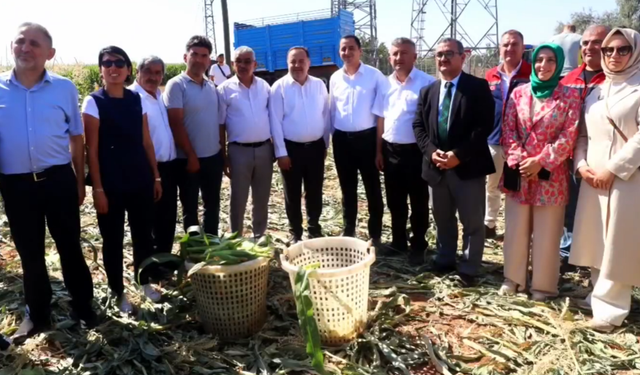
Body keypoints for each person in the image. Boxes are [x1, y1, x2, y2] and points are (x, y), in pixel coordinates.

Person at [0, 22, 97, 342]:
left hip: (57, 181)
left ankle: (83, 307)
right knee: (30, 254)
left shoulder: (64, 88)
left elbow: (76, 136)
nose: (25, 48)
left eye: (34, 44)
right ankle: (38, 315)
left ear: (49, 53)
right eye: (19, 42)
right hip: (15, 185)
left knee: (70, 247)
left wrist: (80, 181)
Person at [570, 28, 640, 332]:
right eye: (608, 50)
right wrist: (581, 165)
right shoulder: (598, 90)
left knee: (618, 243)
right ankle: (599, 295)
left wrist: (613, 169)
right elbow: (583, 135)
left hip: (626, 178)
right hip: (593, 177)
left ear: (635, 51)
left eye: (622, 49)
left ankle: (612, 311)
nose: (614, 55)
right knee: (597, 239)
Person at [83, 46, 163, 313]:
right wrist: (98, 188)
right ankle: (118, 291)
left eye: (119, 63)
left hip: (140, 178)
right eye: (107, 63)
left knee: (143, 236)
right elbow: (91, 150)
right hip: (112, 184)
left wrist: (156, 176)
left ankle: (144, 282)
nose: (113, 67)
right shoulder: (94, 102)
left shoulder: (135, 99)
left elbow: (146, 141)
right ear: (101, 69)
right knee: (113, 240)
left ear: (128, 69)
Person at [499, 44, 581, 301]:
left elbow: (570, 136)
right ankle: (513, 280)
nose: (543, 66)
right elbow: (508, 131)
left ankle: (543, 287)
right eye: (539, 60)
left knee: (547, 235)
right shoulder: (519, 94)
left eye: (550, 61)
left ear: (558, 64)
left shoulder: (569, 96)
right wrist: (521, 160)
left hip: (551, 176)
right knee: (515, 230)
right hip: (519, 172)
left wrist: (541, 161)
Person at [412, 38, 495, 284]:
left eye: (449, 54)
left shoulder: (478, 87)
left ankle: (469, 267)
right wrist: (431, 151)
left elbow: (484, 127)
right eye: (439, 55)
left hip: (467, 167)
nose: (443, 59)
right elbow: (418, 125)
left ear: (463, 57)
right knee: (442, 218)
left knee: (471, 220)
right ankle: (445, 258)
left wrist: (458, 155)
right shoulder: (428, 91)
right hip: (436, 167)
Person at [376, 37, 435, 263]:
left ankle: (418, 245)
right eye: (395, 53)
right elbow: (380, 118)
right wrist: (379, 151)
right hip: (391, 151)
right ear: (390, 57)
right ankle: (398, 242)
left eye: (404, 53)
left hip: (417, 153)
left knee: (419, 202)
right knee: (395, 201)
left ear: (415, 57)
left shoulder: (427, 83)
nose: (399, 58)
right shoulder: (385, 84)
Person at [557, 25, 610, 267]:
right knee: (568, 207)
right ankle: (568, 253)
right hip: (566, 158)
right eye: (586, 43)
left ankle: (601, 257)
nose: (590, 47)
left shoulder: (615, 79)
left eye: (597, 42)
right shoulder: (568, 80)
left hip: (603, 159)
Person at [164, 36, 225, 237]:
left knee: (212, 204)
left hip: (212, 156)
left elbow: (217, 122)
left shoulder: (211, 87)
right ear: (185, 57)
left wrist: (221, 153)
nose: (199, 60)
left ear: (209, 60)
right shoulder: (176, 85)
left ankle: (212, 244)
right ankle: (195, 248)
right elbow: (175, 122)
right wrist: (190, 155)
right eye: (195, 55)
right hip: (187, 159)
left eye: (204, 56)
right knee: (190, 206)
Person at [330, 35, 387, 245]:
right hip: (342, 141)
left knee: (372, 187)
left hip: (368, 140)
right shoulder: (335, 78)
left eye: (351, 48)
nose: (347, 53)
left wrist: (380, 149)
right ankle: (349, 230)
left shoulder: (374, 76)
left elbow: (382, 113)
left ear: (360, 51)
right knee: (347, 188)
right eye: (343, 49)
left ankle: (375, 234)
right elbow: (332, 110)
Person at [269, 46, 330, 243]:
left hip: (315, 148)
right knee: (292, 193)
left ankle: (314, 228)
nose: (297, 65)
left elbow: (325, 115)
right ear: (287, 64)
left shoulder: (319, 85)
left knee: (314, 191)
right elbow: (275, 122)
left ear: (309, 63)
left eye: (301, 61)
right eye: (292, 61)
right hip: (290, 150)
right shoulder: (278, 87)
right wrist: (281, 153)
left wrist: (325, 145)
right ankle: (295, 232)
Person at [129, 56, 178, 282]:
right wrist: (154, 174)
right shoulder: (132, 97)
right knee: (146, 222)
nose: (153, 76)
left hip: (168, 166)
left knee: (166, 219)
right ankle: (146, 270)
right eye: (148, 71)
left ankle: (163, 264)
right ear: (137, 72)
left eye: (158, 73)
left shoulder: (159, 95)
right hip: (148, 169)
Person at [218, 46, 273, 238]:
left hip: (265, 149)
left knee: (261, 198)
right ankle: (236, 237)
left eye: (247, 61)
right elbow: (221, 125)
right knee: (239, 198)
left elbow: (272, 117)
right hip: (238, 152)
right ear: (233, 64)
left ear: (255, 64)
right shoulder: (224, 90)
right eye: (238, 61)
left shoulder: (265, 87)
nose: (243, 65)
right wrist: (224, 155)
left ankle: (259, 235)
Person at [484, 30, 531, 240]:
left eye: (514, 45)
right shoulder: (490, 75)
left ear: (523, 48)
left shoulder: (532, 73)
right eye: (505, 45)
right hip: (493, 140)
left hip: (521, 144)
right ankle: (489, 224)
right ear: (499, 49)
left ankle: (515, 228)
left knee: (517, 187)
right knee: (491, 185)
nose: (510, 49)